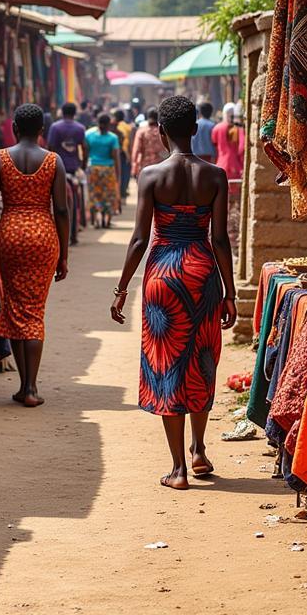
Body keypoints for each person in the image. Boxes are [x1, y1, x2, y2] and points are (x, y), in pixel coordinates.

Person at [111, 95, 236, 490]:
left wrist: (121, 289)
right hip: (202, 274)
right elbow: (220, 240)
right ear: (196, 129)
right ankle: (200, 449)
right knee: (200, 360)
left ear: (160, 131)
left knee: (167, 366)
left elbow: (137, 241)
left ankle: (179, 469)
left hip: (163, 275)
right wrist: (230, 292)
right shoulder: (215, 176)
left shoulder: (150, 176)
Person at [0, 104, 70, 408]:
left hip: (11, 235)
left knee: (15, 307)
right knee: (34, 309)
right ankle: (31, 386)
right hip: (44, 236)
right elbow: (61, 210)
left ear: (15, 127)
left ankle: (23, 386)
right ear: (42, 130)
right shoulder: (54, 161)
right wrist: (64, 254)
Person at [47, 102, 87, 244]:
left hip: (58, 169)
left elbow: (50, 147)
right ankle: (73, 235)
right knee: (74, 203)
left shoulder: (55, 127)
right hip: (73, 169)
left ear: (62, 112)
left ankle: (56, 235)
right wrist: (82, 165)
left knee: (57, 203)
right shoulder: (80, 128)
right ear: (75, 113)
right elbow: (84, 147)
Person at [85, 113, 121, 227]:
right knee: (109, 195)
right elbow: (115, 157)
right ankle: (107, 221)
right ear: (109, 124)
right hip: (108, 169)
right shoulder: (113, 138)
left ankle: (96, 220)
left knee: (94, 194)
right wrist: (118, 174)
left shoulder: (89, 135)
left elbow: (86, 153)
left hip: (93, 168)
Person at [212, 103, 246, 182]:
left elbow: (214, 144)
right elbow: (241, 148)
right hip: (236, 166)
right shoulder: (239, 129)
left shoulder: (216, 128)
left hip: (220, 165)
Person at [131, 107, 166, 178]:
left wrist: (134, 169)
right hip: (161, 169)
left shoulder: (141, 132)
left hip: (145, 169)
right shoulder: (163, 132)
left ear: (148, 117)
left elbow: (136, 151)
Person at [113, 108, 133, 202]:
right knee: (125, 174)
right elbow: (130, 142)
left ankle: (117, 194)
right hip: (125, 154)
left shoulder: (113, 126)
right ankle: (123, 193)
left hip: (115, 153)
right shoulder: (128, 127)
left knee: (117, 173)